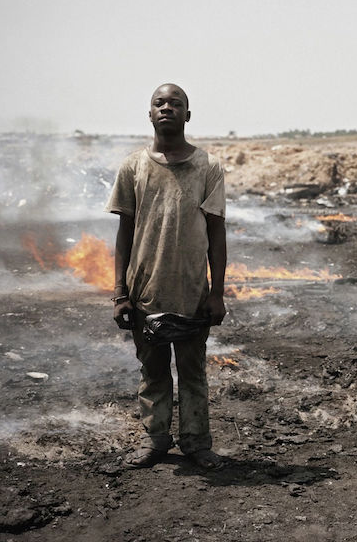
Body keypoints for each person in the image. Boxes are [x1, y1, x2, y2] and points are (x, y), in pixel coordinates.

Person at [105, 83, 227, 468]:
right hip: (145, 291)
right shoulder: (133, 166)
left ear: (187, 115)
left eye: (176, 103)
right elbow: (124, 232)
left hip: (192, 291)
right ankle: (155, 441)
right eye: (159, 102)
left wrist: (218, 292)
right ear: (150, 113)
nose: (167, 107)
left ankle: (197, 443)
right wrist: (119, 293)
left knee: (193, 372)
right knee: (153, 371)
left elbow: (216, 233)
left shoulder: (207, 167)